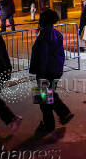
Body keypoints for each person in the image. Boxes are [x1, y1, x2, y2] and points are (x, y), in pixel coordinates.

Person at [29, 9, 74, 138]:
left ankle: (60, 116)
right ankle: (54, 120)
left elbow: (43, 56)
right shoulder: (55, 33)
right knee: (46, 96)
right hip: (55, 70)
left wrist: (41, 74)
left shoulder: (44, 35)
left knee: (44, 98)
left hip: (46, 71)